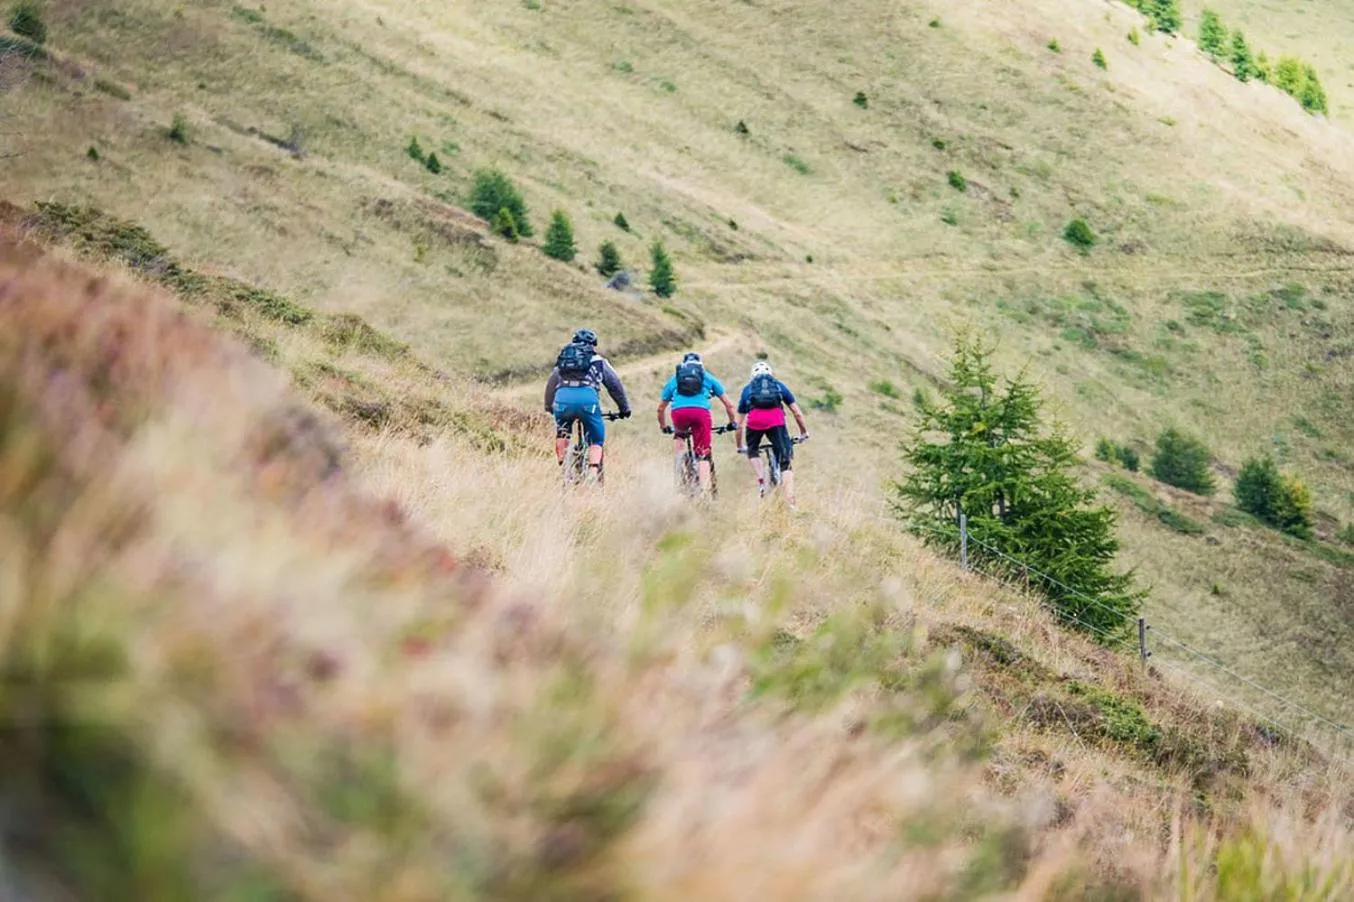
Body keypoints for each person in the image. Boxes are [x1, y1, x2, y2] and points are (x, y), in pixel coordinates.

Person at [544, 328, 632, 479]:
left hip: (562, 399)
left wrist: (549, 406)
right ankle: (592, 474)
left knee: (562, 431)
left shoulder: (564, 360)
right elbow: (614, 385)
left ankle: (564, 467)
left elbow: (551, 384)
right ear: (593, 345)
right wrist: (624, 408)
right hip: (587, 400)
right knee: (596, 438)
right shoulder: (598, 361)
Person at [657, 352, 738, 495]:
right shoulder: (708, 377)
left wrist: (663, 427)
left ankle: (678, 467)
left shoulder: (674, 379)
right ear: (701, 365)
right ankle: (704, 493)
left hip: (679, 413)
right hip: (701, 414)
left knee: (679, 436)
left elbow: (660, 408)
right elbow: (729, 405)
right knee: (703, 453)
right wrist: (732, 423)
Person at [736, 360, 809, 508]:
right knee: (785, 463)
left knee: (753, 450)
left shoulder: (747, 390)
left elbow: (739, 424)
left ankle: (762, 479)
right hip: (776, 423)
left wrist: (740, 445)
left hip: (754, 423)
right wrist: (803, 432)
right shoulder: (779, 386)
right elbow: (797, 413)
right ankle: (790, 501)